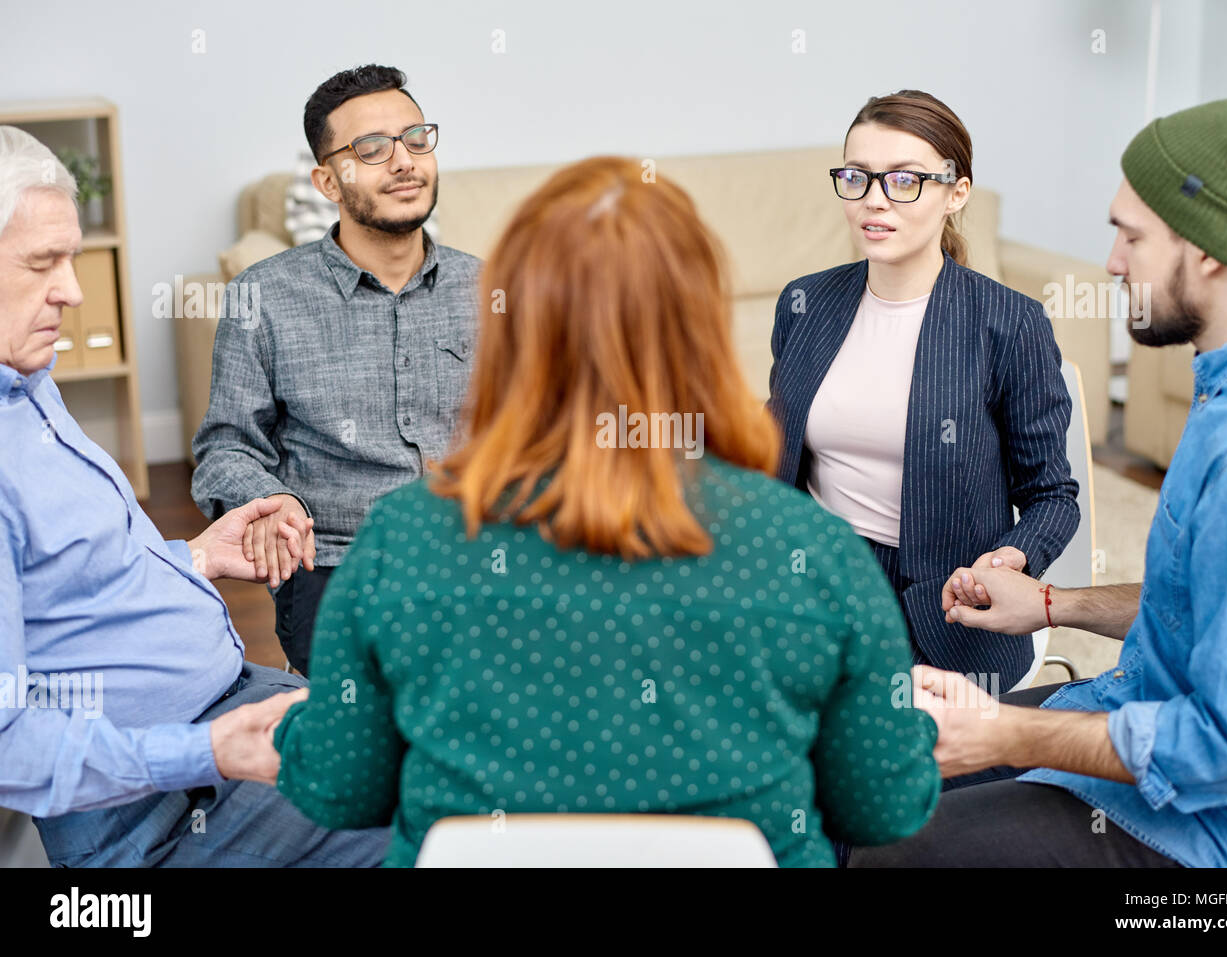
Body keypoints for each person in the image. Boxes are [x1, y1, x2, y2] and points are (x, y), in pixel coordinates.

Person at [271, 156, 941, 867]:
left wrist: (293, 730)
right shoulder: (815, 550)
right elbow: (883, 806)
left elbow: (339, 789)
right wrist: (909, 727)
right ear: (702, 330)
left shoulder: (401, 538)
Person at [851, 98, 1227, 868]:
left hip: (1219, 834)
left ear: (1210, 251)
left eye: (1131, 235)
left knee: (894, 849)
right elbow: (1214, 605)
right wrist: (1053, 604)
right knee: (875, 772)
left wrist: (1007, 732)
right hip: (1139, 708)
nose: (1112, 262)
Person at [0, 126, 387, 866]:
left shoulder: (26, 384)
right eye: (41, 263)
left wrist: (194, 557)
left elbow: (71, 581)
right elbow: (7, 741)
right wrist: (204, 750)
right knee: (439, 814)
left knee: (464, 740)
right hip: (167, 810)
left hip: (226, 711)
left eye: (71, 258)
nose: (74, 291)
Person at [767, 91, 1079, 688]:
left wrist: (1011, 559)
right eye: (857, 177)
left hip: (946, 609)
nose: (873, 201)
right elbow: (775, 451)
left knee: (914, 769)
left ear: (956, 193)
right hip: (817, 587)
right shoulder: (804, 303)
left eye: (904, 180)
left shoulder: (1009, 322)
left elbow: (1052, 495)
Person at [192, 64, 481, 675]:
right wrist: (270, 500)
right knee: (362, 753)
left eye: (415, 139)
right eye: (372, 148)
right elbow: (225, 449)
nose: (403, 161)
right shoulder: (265, 296)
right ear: (328, 180)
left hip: (479, 556)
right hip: (341, 565)